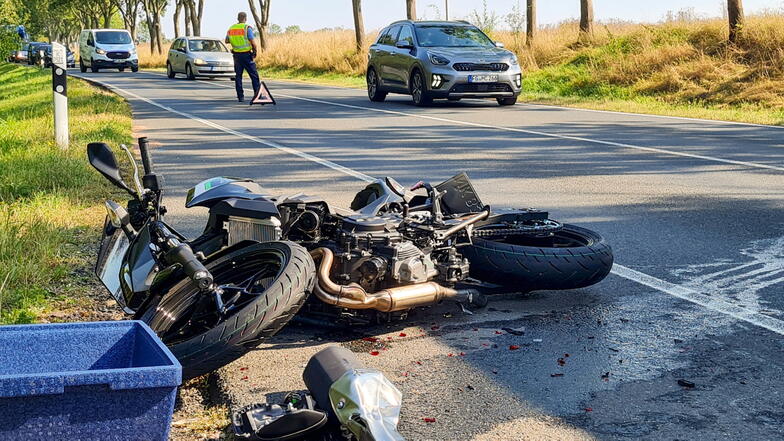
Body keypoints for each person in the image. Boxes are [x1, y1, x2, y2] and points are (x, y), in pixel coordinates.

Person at [225, 12, 260, 102]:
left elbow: (226, 41)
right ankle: (257, 94)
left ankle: (240, 96)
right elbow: (253, 41)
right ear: (245, 18)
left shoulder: (231, 29)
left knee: (238, 76)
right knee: (254, 75)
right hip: (247, 55)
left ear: (237, 18)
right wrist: (255, 51)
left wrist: (236, 43)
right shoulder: (246, 28)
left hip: (236, 56)